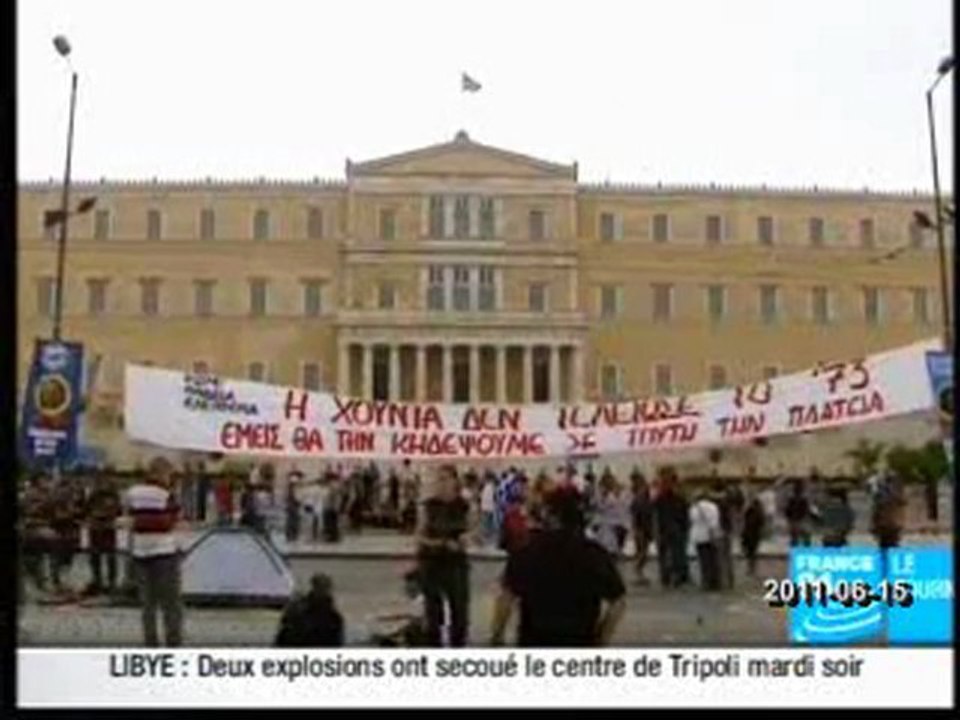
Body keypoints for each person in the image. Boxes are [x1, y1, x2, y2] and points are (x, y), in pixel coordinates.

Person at [490, 486, 627, 647]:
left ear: (550, 514)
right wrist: (601, 637)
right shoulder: (593, 554)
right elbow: (618, 601)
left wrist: (497, 637)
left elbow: (505, 599)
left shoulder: (528, 551)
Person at [123, 457, 184, 647]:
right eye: (169, 474)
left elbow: (128, 520)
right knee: (170, 604)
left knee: (147, 605)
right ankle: (173, 645)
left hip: (140, 553)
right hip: (164, 553)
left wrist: (137, 525)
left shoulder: (132, 493)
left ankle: (151, 645)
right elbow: (169, 523)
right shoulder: (167, 495)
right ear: (162, 473)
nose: (170, 478)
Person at [416, 464, 471, 647]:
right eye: (438, 479)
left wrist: (465, 538)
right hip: (431, 562)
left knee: (459, 612)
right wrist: (442, 543)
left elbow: (472, 530)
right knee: (433, 613)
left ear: (455, 481)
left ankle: (457, 647)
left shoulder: (464, 505)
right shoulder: (428, 506)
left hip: (456, 564)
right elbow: (420, 537)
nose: (441, 483)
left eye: (445, 478)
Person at [274, 573, 345, 647]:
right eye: (319, 587)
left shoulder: (334, 618)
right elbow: (285, 631)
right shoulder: (298, 609)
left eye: (324, 588)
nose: (321, 591)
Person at [84, 470, 122, 596]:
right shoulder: (93, 494)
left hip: (108, 527)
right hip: (96, 527)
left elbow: (118, 510)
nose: (103, 483)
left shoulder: (114, 494)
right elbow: (87, 509)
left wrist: (108, 515)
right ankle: (97, 581)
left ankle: (112, 583)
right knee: (95, 556)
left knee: (111, 556)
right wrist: (94, 516)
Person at [652, 467, 690, 588]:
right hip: (668, 529)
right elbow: (655, 513)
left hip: (675, 528)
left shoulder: (677, 497)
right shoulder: (661, 497)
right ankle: (669, 577)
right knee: (669, 554)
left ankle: (677, 576)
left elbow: (684, 512)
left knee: (677, 554)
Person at [49, 474, 84, 594]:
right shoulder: (56, 497)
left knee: (68, 557)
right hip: (60, 529)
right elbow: (56, 515)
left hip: (71, 530)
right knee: (58, 556)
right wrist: (71, 514)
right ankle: (57, 583)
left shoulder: (75, 495)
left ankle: (63, 582)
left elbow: (80, 511)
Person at [20, 472, 55, 594]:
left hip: (43, 527)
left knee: (38, 556)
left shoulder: (48, 494)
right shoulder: (31, 494)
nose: (46, 482)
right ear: (37, 481)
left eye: (47, 480)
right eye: (44, 480)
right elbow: (28, 513)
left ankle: (43, 579)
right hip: (32, 528)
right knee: (36, 555)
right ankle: (40, 580)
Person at [689, 490, 722, 592]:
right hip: (711, 535)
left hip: (699, 536)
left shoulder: (694, 508)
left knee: (704, 561)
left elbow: (692, 521)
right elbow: (714, 523)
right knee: (713, 560)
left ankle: (705, 581)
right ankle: (715, 582)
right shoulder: (713, 507)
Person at [593, 471, 630, 557]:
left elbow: (623, 505)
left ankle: (618, 551)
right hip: (607, 522)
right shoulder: (601, 493)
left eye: (612, 480)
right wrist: (604, 497)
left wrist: (618, 494)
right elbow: (599, 507)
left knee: (621, 538)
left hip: (620, 521)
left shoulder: (618, 491)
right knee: (609, 543)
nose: (611, 482)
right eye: (608, 481)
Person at [629, 468, 653, 585]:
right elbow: (639, 514)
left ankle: (640, 574)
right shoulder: (639, 498)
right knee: (642, 552)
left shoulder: (640, 497)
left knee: (643, 551)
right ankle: (638, 573)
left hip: (643, 527)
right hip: (642, 528)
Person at [741, 492, 765, 577]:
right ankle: (752, 568)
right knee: (752, 552)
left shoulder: (750, 512)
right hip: (754, 534)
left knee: (750, 552)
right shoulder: (758, 512)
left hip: (750, 534)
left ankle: (751, 568)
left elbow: (746, 522)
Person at [784, 480, 813, 547]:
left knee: (801, 537)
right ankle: (803, 550)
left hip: (798, 521)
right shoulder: (794, 500)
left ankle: (803, 550)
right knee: (798, 537)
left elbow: (787, 511)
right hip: (797, 521)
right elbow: (788, 511)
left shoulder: (800, 500)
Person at [479, 472, 497, 545]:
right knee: (488, 522)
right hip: (489, 507)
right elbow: (494, 497)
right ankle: (488, 535)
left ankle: (486, 535)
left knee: (486, 522)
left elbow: (483, 497)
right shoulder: (492, 486)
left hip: (486, 507)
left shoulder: (487, 486)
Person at [284, 472, 302, 544]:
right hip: (293, 506)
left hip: (291, 506)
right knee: (293, 521)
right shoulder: (292, 489)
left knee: (291, 520)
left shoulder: (290, 488)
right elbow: (296, 498)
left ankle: (291, 535)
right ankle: (292, 535)